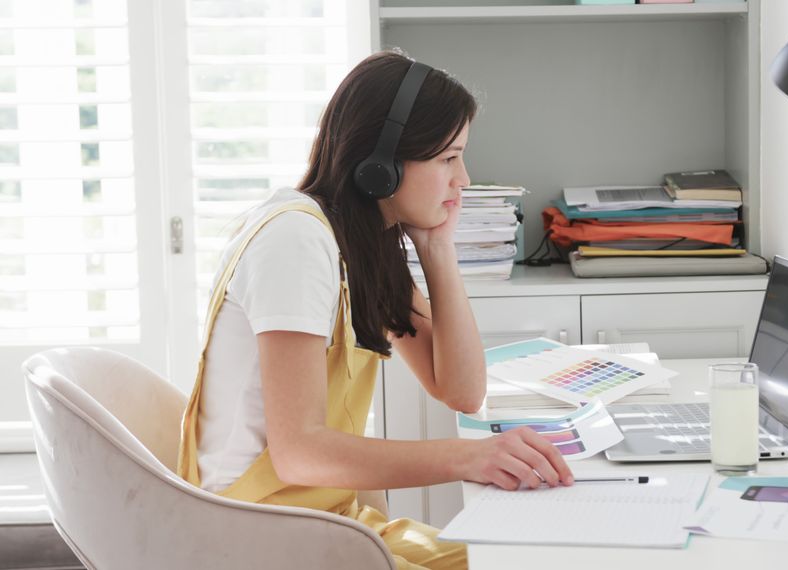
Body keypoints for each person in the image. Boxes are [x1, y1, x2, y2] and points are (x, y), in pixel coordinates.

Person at [176, 51, 574, 570]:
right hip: (259, 536)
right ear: (381, 166)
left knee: (527, 559)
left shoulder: (361, 243)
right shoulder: (295, 241)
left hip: (326, 521)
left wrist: (437, 251)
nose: (465, 180)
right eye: (448, 159)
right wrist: (468, 458)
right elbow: (300, 452)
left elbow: (461, 389)